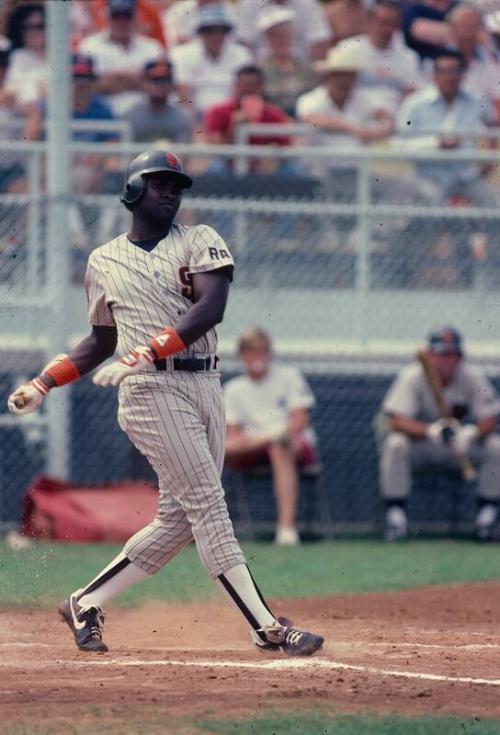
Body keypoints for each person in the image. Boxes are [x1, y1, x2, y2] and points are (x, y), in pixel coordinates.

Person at [7, 149, 324, 658]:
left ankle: (85, 601)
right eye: (160, 184)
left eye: (177, 185)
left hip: (203, 383)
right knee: (208, 505)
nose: (171, 193)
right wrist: (45, 382)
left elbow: (210, 308)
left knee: (179, 521)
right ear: (133, 191)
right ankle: (266, 627)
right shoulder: (103, 260)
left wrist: (146, 349)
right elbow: (99, 342)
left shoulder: (200, 239)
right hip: (149, 392)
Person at [379, 327, 500, 542]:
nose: (447, 361)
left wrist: (471, 433)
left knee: (495, 446)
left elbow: (491, 417)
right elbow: (395, 421)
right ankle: (395, 518)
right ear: (431, 356)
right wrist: (429, 430)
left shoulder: (472, 376)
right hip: (425, 446)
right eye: (442, 355)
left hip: (461, 448)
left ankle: (487, 517)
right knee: (395, 444)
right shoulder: (412, 377)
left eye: (452, 355)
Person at [224, 327, 318, 547]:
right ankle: (208, 530)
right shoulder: (233, 389)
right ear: (242, 355)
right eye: (250, 351)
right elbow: (234, 435)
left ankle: (286, 529)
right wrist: (251, 443)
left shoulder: (289, 376)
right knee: (218, 449)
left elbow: (300, 420)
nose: (256, 357)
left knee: (279, 447)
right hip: (252, 448)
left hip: (290, 444)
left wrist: (267, 438)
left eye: (261, 351)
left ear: (269, 353)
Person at [396, 50, 498, 206]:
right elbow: (399, 145)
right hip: (429, 178)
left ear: (463, 74)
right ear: (434, 75)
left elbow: (493, 127)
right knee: (427, 202)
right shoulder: (415, 104)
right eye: (443, 71)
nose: (449, 77)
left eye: (454, 71)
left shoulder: (477, 100)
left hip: (466, 178)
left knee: (494, 202)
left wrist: (488, 162)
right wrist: (436, 144)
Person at [78, 0, 163, 116]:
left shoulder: (152, 47)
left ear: (135, 17)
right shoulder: (89, 45)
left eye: (126, 16)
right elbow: (87, 85)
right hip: (103, 114)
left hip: (144, 115)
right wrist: (138, 79)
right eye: (116, 16)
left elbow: (159, 85)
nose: (122, 22)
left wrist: (112, 78)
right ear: (108, 17)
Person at [338, 0, 423, 117]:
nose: (387, 29)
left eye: (392, 24)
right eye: (383, 22)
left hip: (395, 121)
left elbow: (412, 93)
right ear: (370, 20)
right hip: (354, 118)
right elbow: (339, 89)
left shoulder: (409, 57)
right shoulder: (348, 49)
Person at [170, 3, 252, 119]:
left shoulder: (241, 54)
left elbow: (245, 92)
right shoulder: (183, 54)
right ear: (200, 32)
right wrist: (196, 127)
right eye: (209, 31)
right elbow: (184, 95)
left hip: (231, 117)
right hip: (195, 117)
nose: (216, 36)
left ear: (227, 32)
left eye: (221, 30)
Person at [257, 5, 317, 118]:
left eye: (285, 35)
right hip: (273, 126)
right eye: (275, 36)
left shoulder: (305, 67)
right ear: (268, 39)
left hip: (305, 124)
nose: (281, 40)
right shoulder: (260, 69)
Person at [121, 58, 193, 143]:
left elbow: (183, 154)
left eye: (166, 80)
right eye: (155, 81)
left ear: (172, 84)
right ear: (143, 83)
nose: (161, 85)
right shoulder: (130, 116)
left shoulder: (181, 118)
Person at [236, 0, 332, 62]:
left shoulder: (308, 3)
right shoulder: (248, 3)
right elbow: (244, 44)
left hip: (301, 69)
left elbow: (319, 42)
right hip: (261, 70)